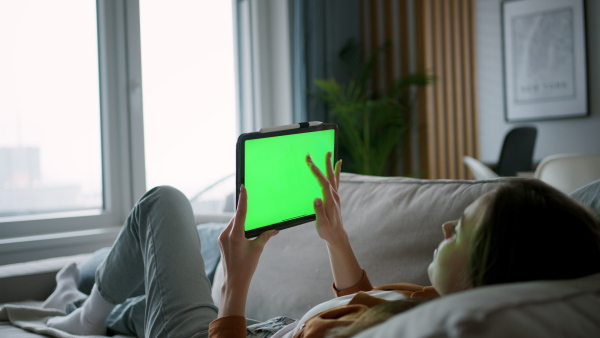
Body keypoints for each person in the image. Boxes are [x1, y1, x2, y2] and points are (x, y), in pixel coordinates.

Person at [43, 152, 600, 338]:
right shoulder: (427, 300)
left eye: (465, 228)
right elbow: (361, 304)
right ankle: (81, 306)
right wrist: (336, 237)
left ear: (487, 268)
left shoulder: (438, 320)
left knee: (163, 202)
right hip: (270, 328)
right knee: (142, 309)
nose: (447, 229)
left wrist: (236, 288)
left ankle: (86, 314)